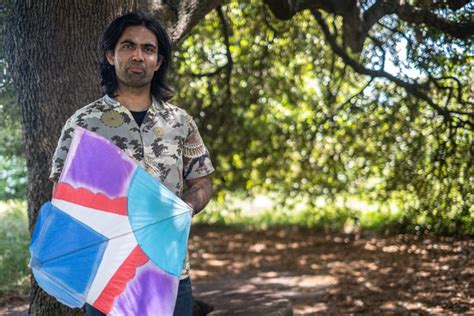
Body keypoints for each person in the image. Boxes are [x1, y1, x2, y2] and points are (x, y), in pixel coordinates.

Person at [49, 11, 214, 316]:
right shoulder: (84, 123)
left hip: (170, 269)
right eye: (128, 46)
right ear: (110, 55)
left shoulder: (180, 121)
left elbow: (202, 182)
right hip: (108, 275)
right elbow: (63, 195)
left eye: (148, 48)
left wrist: (180, 208)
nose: (138, 55)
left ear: (158, 61)